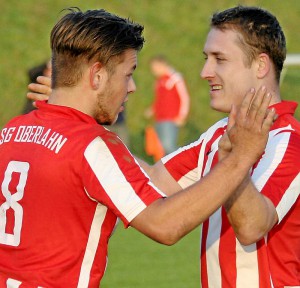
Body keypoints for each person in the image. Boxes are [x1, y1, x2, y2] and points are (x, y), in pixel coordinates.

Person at [0, 7, 275, 288]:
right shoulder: (91, 144)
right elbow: (165, 224)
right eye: (127, 73)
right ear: (97, 76)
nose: (131, 87)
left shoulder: (11, 131)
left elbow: (142, 180)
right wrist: (241, 157)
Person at [140, 6, 300, 288]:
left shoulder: (289, 142)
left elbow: (253, 226)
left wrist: (234, 158)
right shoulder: (218, 133)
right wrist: (81, 118)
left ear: (261, 66)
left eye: (219, 59)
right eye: (206, 58)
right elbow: (150, 181)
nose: (205, 72)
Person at [145, 55, 190, 155]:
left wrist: (182, 116)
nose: (153, 71)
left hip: (171, 118)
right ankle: (166, 169)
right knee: (161, 149)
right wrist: (152, 109)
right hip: (159, 118)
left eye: (155, 68)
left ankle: (182, 164)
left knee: (168, 146)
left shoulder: (175, 78)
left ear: (162, 64)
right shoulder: (159, 81)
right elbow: (159, 99)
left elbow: (184, 97)